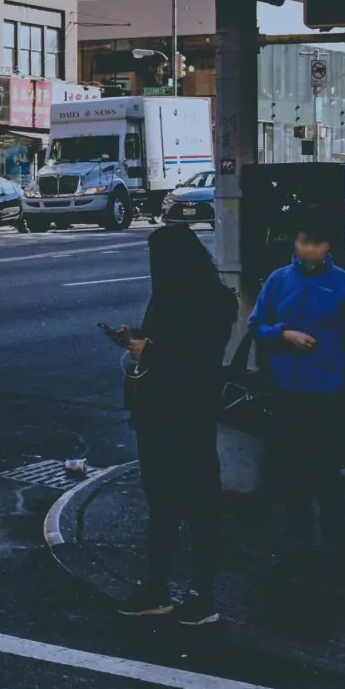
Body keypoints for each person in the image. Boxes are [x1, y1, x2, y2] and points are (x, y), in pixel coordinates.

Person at [111, 224, 233, 625]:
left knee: (194, 504)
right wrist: (138, 339)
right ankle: (160, 586)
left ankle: (199, 592)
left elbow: (198, 353)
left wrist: (153, 348)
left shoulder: (212, 301)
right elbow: (171, 339)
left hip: (185, 412)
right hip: (163, 413)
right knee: (163, 503)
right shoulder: (176, 296)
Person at [248, 220, 345, 577]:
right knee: (291, 474)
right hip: (286, 391)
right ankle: (297, 546)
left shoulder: (343, 284)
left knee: (328, 475)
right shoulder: (278, 280)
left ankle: (336, 549)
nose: (309, 251)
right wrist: (284, 333)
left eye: (317, 244)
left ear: (328, 247)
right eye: (304, 242)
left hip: (327, 393)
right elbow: (257, 325)